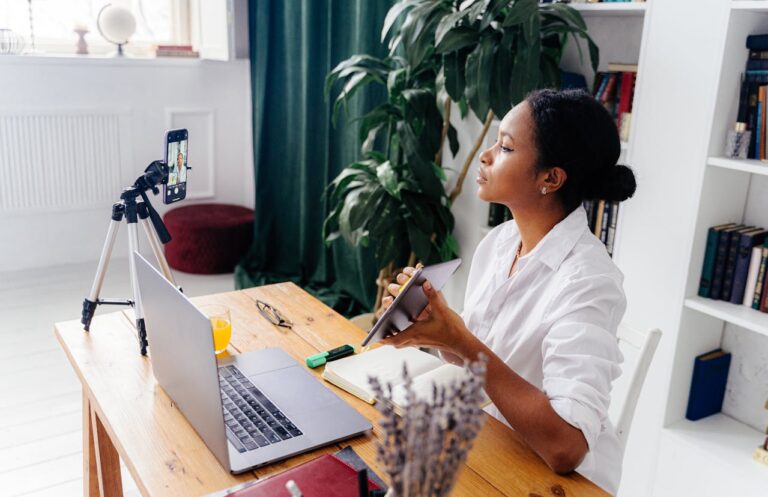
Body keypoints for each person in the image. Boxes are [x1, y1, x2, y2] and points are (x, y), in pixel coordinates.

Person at [378, 88, 636, 495]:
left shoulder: (588, 281)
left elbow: (567, 447)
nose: (486, 155)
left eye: (506, 147)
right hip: (490, 438)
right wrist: (438, 332)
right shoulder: (500, 242)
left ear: (550, 178)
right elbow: (482, 361)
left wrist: (460, 340)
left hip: (553, 479)